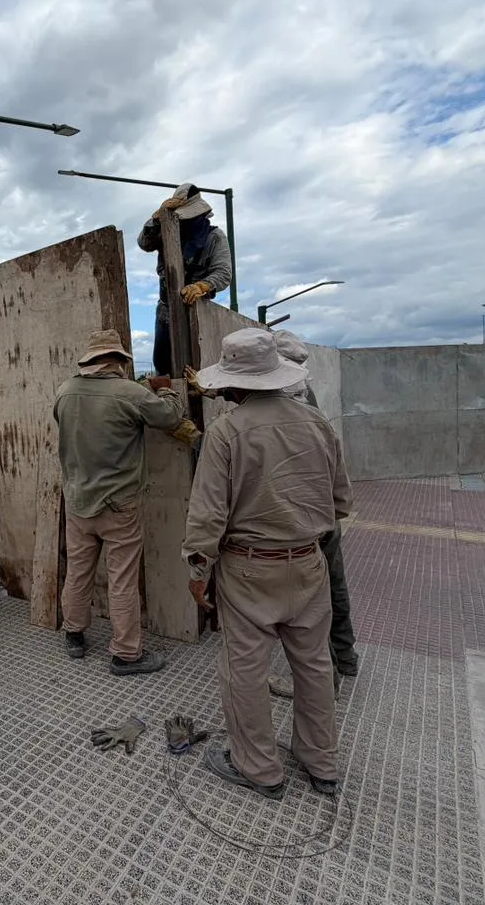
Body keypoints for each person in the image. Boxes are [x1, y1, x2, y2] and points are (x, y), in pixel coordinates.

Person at [182, 328, 353, 799]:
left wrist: (198, 571)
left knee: (246, 668)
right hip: (309, 562)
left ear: (234, 384)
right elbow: (340, 502)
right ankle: (322, 763)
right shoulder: (318, 425)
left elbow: (207, 516)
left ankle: (258, 768)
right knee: (314, 664)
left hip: (248, 570)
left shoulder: (225, 433)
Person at [53, 329, 185, 675]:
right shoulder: (130, 393)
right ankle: (126, 654)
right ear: (119, 361)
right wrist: (168, 390)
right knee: (122, 579)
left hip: (79, 500)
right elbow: (169, 417)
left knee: (78, 572)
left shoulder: (65, 391)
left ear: (90, 360)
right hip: (119, 506)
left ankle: (74, 635)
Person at [268, 331, 360, 699]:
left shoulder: (284, 396)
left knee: (308, 605)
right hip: (324, 513)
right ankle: (345, 656)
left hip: (301, 519)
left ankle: (325, 679)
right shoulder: (306, 392)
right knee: (333, 587)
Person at [138, 183, 232, 375]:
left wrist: (203, 286)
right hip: (167, 306)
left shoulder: (214, 237)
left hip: (197, 307)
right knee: (163, 363)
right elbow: (144, 243)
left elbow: (223, 272)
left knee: (197, 361)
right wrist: (156, 219)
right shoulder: (167, 232)